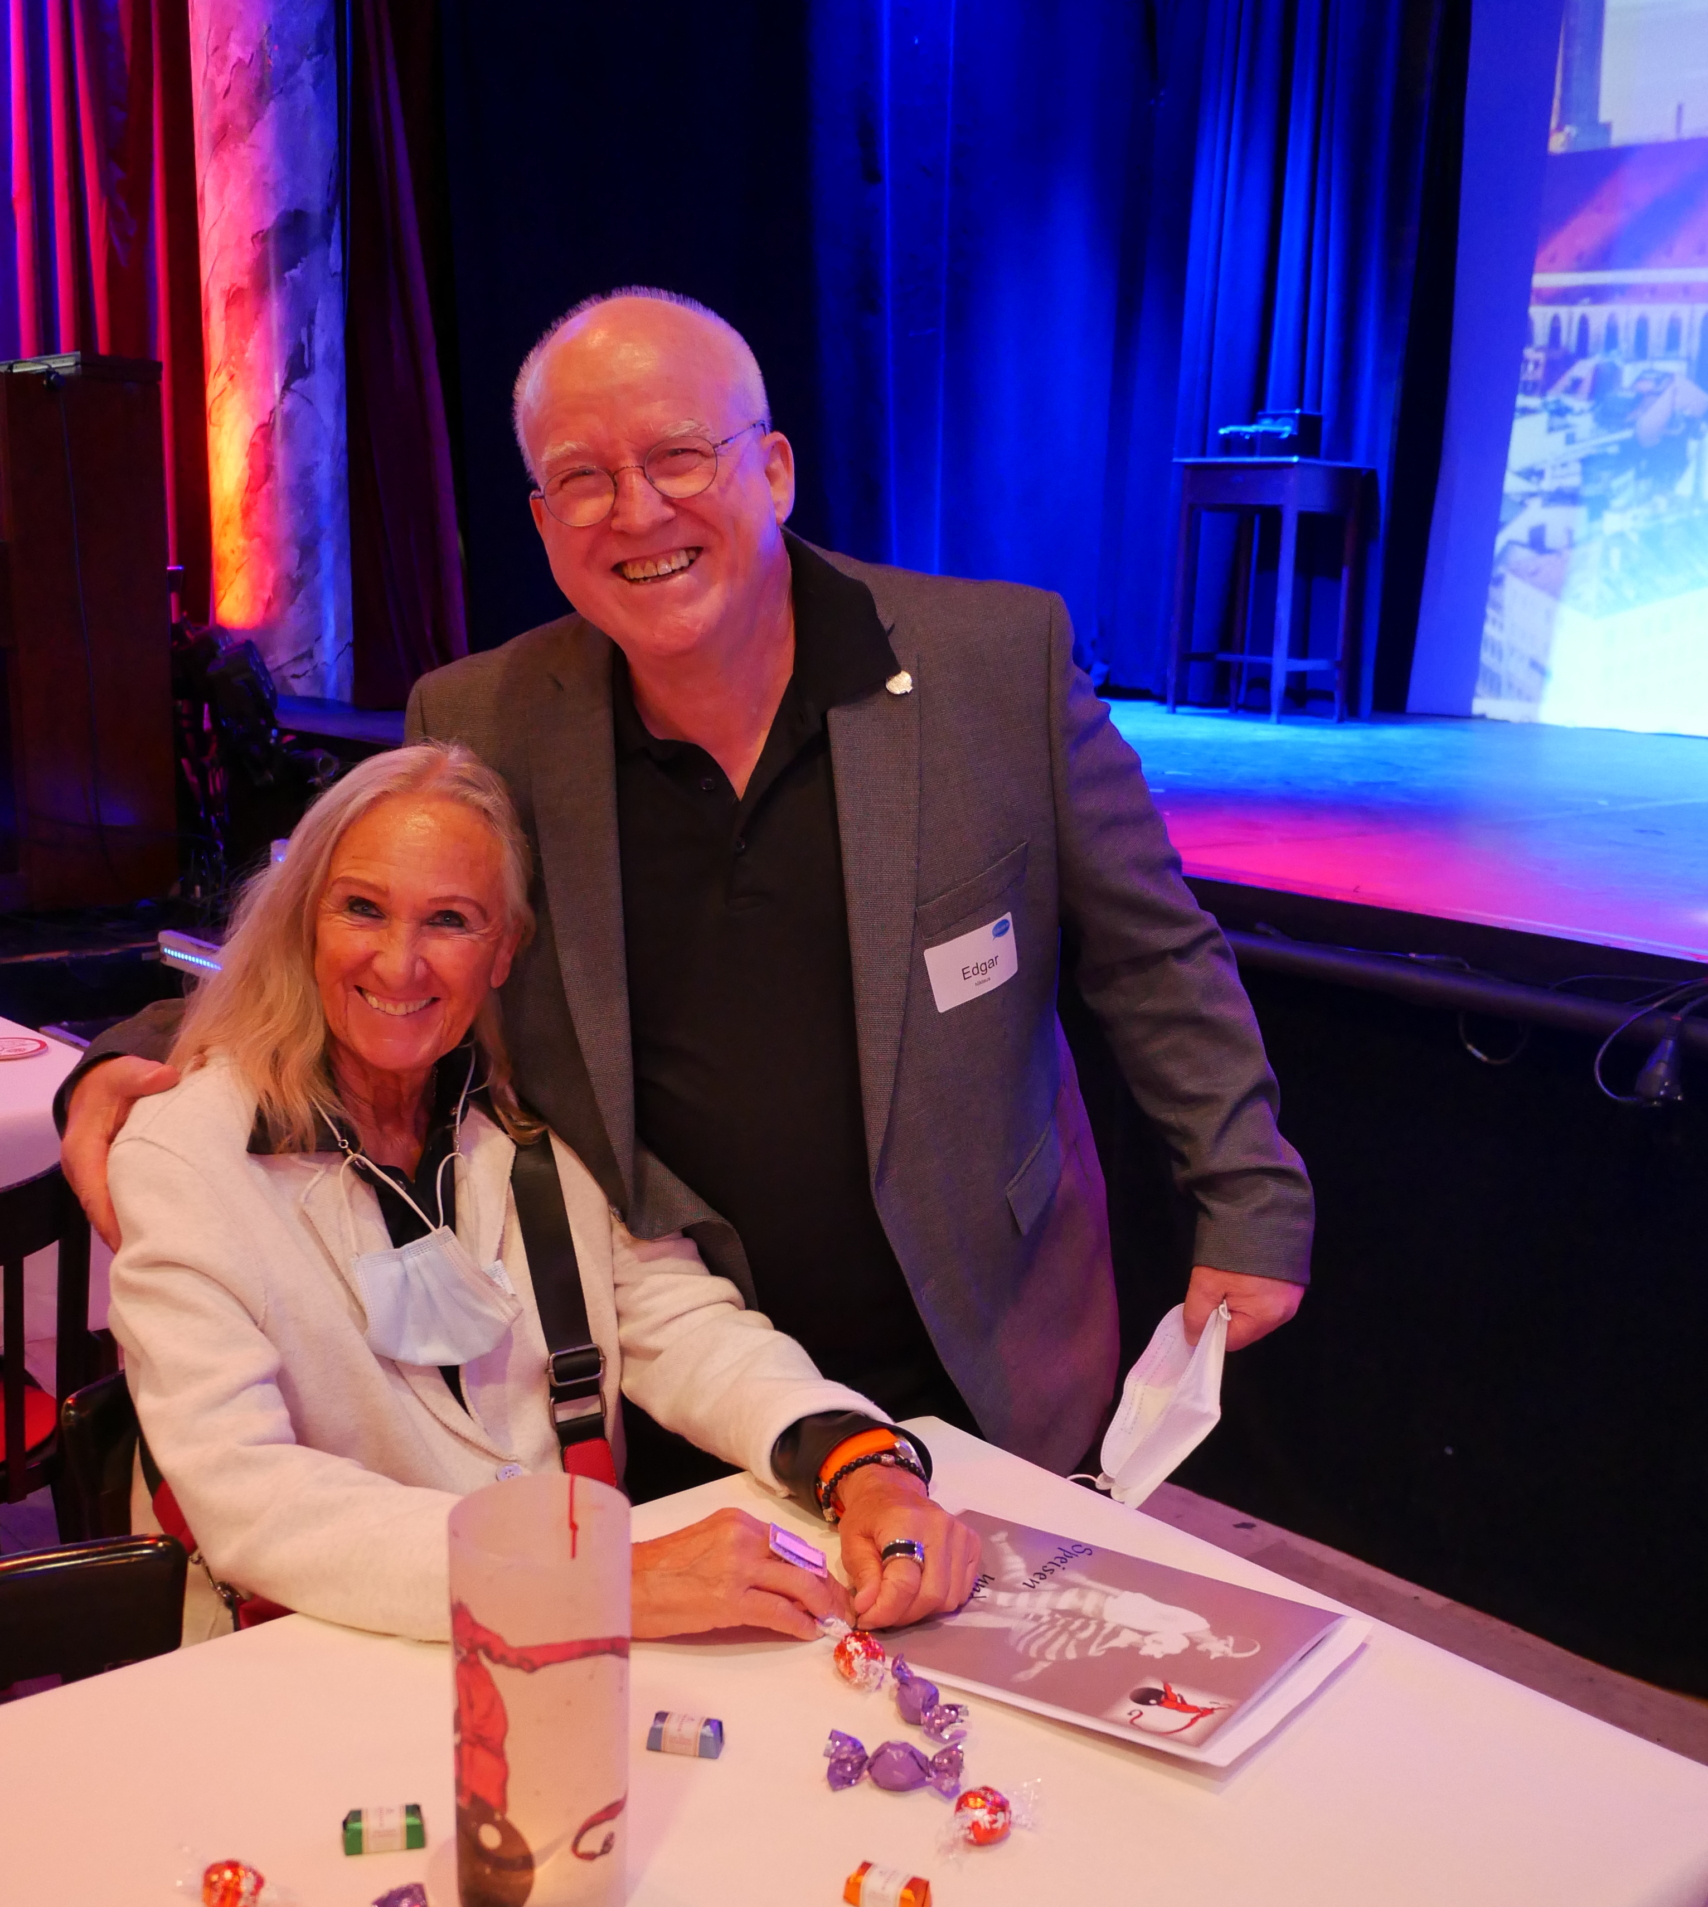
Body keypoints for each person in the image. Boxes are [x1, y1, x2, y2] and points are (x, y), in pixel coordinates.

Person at [66, 287, 1312, 1481]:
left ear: (773, 470)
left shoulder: (993, 664)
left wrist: (1247, 1195)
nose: (637, 511)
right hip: (674, 1369)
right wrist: (131, 1053)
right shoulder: (484, 718)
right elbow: (362, 949)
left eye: (678, 456)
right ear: (542, 522)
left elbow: (1153, 954)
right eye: (582, 478)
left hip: (984, 1345)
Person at [105, 742, 978, 1644]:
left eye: (450, 920)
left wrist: (860, 1463)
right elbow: (250, 1495)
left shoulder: (529, 1123)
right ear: (304, 922)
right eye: (362, 908)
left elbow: (682, 1326)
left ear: (505, 951)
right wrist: (599, 1578)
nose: (399, 964)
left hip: (560, 1661)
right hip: (309, 1656)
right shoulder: (187, 1156)